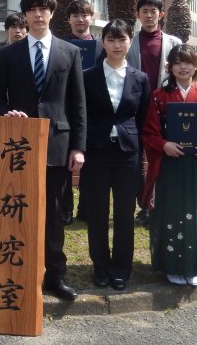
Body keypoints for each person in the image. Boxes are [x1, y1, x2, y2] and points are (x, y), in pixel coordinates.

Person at [0, 0, 86, 301]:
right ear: (25, 15)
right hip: (19, 145)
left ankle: (55, 275)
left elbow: (78, 103)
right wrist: (7, 113)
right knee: (19, 210)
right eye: (32, 9)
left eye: (43, 8)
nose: (38, 14)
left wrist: (78, 147)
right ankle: (22, 270)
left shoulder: (69, 52)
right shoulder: (8, 54)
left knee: (54, 212)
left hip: (57, 144)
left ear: (52, 13)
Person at [83, 19, 150, 291]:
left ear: (130, 42)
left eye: (121, 39)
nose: (116, 45)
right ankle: (100, 266)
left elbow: (143, 118)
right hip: (96, 152)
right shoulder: (88, 76)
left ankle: (121, 268)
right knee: (97, 212)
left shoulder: (140, 78)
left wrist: (143, 154)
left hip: (128, 154)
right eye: (111, 39)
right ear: (103, 43)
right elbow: (82, 115)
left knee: (124, 214)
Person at [142, 44, 197, 286]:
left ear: (196, 66)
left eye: (188, 62)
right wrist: (163, 145)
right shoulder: (159, 95)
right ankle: (171, 266)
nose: (183, 67)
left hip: (194, 164)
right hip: (169, 164)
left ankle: (192, 266)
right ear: (170, 66)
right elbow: (149, 132)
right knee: (170, 211)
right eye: (178, 62)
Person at [127, 0, 182, 227]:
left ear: (161, 14)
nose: (149, 15)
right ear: (137, 15)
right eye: (144, 11)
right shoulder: (130, 42)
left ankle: (159, 205)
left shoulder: (174, 43)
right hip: (136, 107)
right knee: (136, 160)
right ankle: (143, 205)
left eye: (153, 11)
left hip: (164, 108)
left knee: (159, 159)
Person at [63, 0, 106, 225]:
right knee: (64, 162)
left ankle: (86, 208)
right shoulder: (60, 45)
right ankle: (65, 209)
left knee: (92, 163)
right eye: (75, 15)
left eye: (85, 15)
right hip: (66, 111)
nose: (80, 19)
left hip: (95, 112)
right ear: (68, 19)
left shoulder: (102, 47)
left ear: (91, 17)